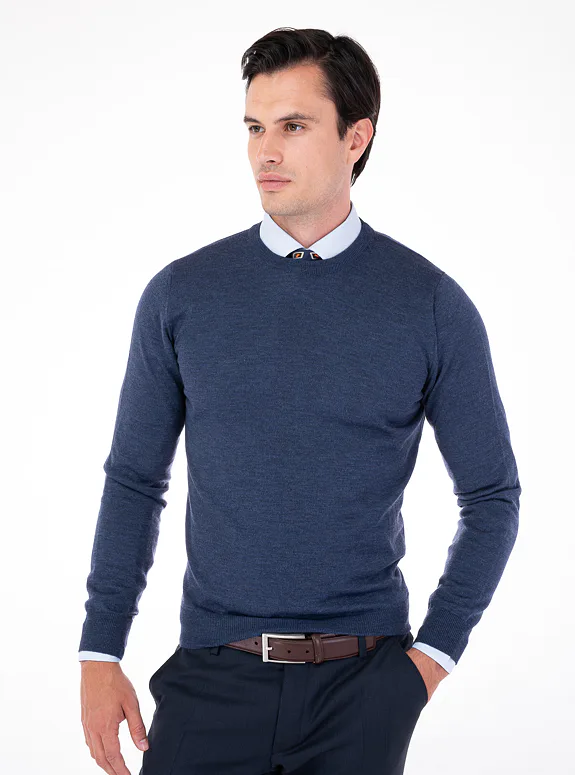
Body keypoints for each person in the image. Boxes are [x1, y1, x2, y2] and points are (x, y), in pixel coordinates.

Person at [79, 26, 521, 775]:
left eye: (292, 126)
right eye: (254, 127)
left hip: (364, 688)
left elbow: (492, 496)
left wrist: (429, 661)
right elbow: (133, 481)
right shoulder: (182, 295)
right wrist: (100, 651)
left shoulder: (429, 305)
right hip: (211, 677)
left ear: (356, 137)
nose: (265, 152)